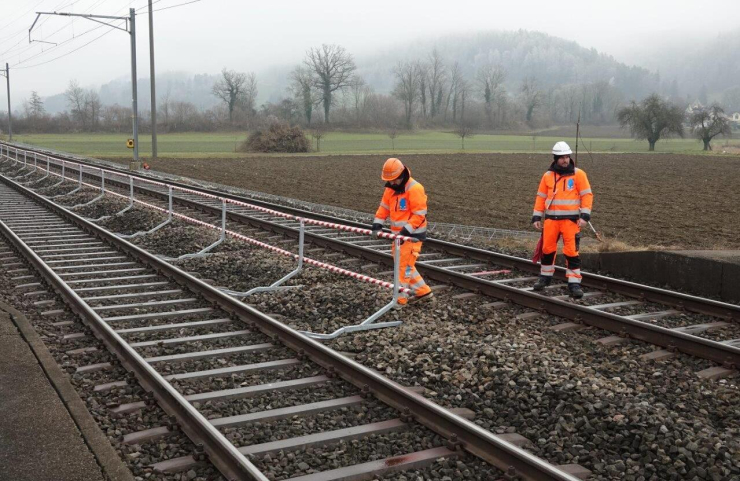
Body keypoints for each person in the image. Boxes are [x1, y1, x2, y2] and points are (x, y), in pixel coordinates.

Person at [531, 141, 593, 299]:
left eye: (567, 157)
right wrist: (537, 216)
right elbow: (541, 197)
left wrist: (585, 216)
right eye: (562, 157)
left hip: (571, 221)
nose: (565, 160)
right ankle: (545, 277)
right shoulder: (547, 176)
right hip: (551, 220)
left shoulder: (579, 174)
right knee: (547, 250)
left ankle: (574, 283)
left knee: (572, 252)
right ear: (555, 158)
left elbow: (587, 195)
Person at [371, 158, 434, 307]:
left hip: (411, 237)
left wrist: (406, 231)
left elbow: (419, 215)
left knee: (402, 267)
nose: (391, 183)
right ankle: (424, 292)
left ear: (401, 175)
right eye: (389, 180)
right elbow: (384, 208)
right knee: (404, 265)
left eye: (393, 180)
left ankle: (400, 300)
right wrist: (377, 224)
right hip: (399, 237)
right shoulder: (390, 189)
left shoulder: (415, 188)